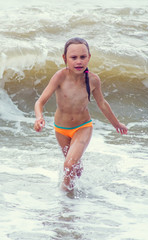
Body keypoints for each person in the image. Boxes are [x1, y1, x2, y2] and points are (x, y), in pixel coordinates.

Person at [34, 37, 128, 191]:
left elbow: (102, 104)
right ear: (65, 58)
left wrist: (117, 124)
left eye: (83, 57)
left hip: (83, 127)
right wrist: (39, 118)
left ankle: (63, 199)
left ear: (89, 58)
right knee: (74, 168)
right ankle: (75, 199)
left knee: (69, 165)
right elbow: (40, 102)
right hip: (60, 129)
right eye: (74, 57)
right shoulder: (60, 77)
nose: (79, 61)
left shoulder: (93, 80)